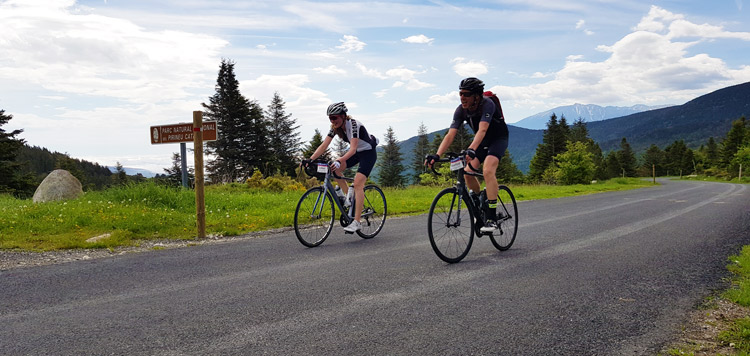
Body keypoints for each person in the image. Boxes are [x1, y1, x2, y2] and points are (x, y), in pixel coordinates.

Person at [425, 77, 509, 233]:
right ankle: (479, 203)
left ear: (477, 95)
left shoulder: (487, 104)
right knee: (467, 173)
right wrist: (437, 155)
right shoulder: (460, 110)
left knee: (488, 170)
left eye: (466, 94)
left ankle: (491, 216)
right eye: (460, 94)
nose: (462, 97)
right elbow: (450, 135)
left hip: (498, 139)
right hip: (481, 142)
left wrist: (470, 149)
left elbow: (483, 130)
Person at [305, 102, 379, 233]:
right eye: (330, 118)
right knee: (335, 169)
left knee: (357, 184)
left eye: (335, 117)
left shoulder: (354, 124)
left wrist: (339, 159)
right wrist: (310, 159)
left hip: (368, 153)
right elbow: (324, 145)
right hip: (356, 153)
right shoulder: (334, 128)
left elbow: (353, 148)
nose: (333, 121)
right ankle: (348, 199)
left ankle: (357, 222)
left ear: (344, 116)